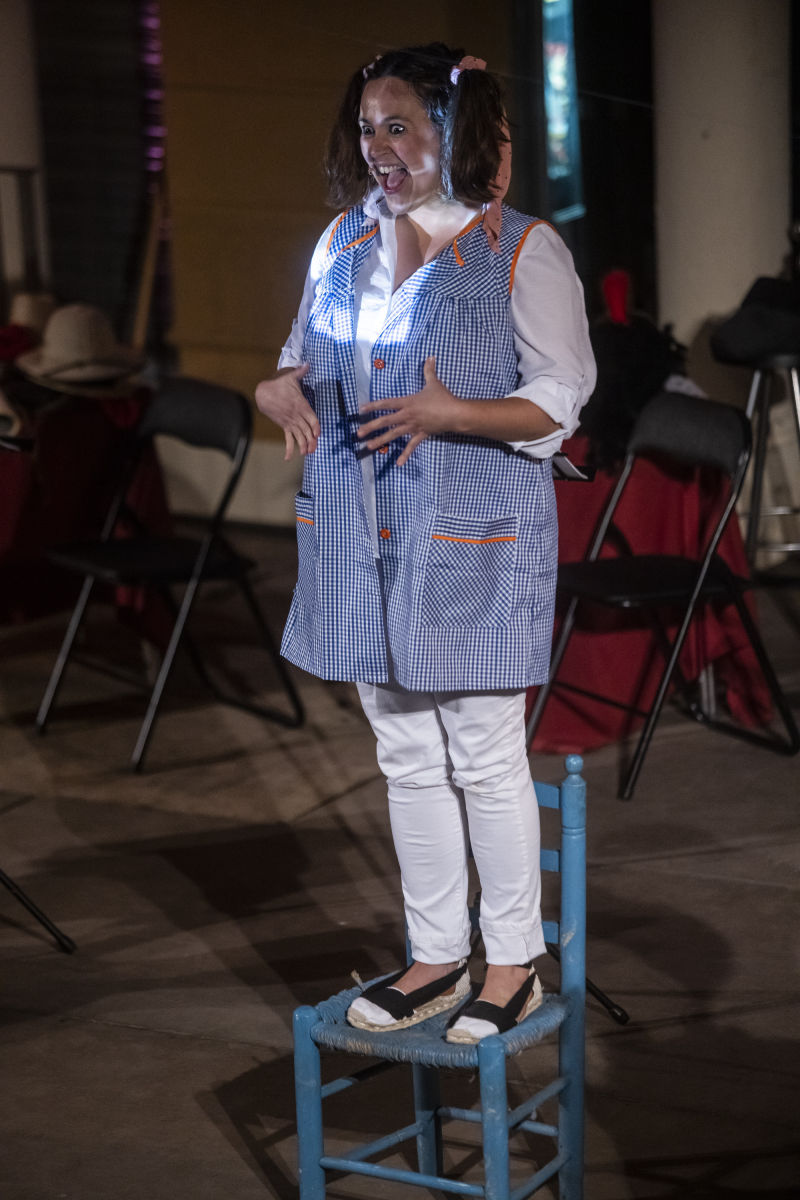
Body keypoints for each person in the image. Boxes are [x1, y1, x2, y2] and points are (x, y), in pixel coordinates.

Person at [255, 43, 595, 1044]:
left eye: (398, 125)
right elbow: (299, 360)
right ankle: (436, 955)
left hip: (472, 536)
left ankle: (512, 964)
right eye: (368, 128)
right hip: (357, 538)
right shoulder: (342, 241)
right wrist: (276, 388)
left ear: (452, 130)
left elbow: (559, 401)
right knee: (405, 754)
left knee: (484, 756)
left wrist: (454, 413)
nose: (378, 146)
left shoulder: (520, 249)